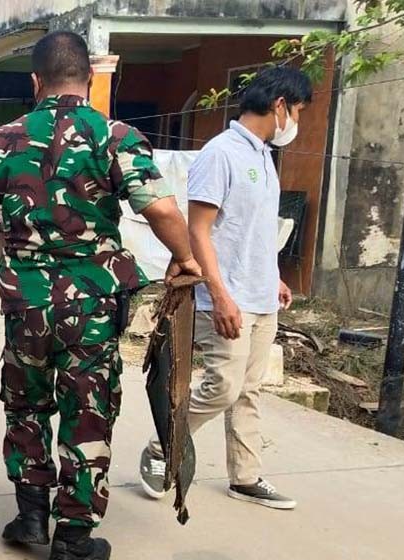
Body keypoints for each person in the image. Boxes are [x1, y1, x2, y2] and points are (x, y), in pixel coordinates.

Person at [0, 31, 202, 560]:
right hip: (90, 307)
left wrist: (3, 230)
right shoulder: (113, 135)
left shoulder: (1, 140)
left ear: (35, 80)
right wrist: (185, 258)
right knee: (86, 413)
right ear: (89, 78)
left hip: (28, 307)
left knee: (26, 406)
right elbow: (159, 210)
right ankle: (72, 540)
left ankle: (29, 519)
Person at [138, 67, 310, 511]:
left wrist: (274, 275)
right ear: (279, 106)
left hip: (261, 294)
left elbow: (253, 229)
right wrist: (219, 294)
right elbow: (199, 231)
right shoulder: (221, 154)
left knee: (249, 390)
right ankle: (164, 445)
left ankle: (246, 477)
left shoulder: (264, 157)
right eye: (298, 111)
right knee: (223, 387)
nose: (297, 122)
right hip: (228, 295)